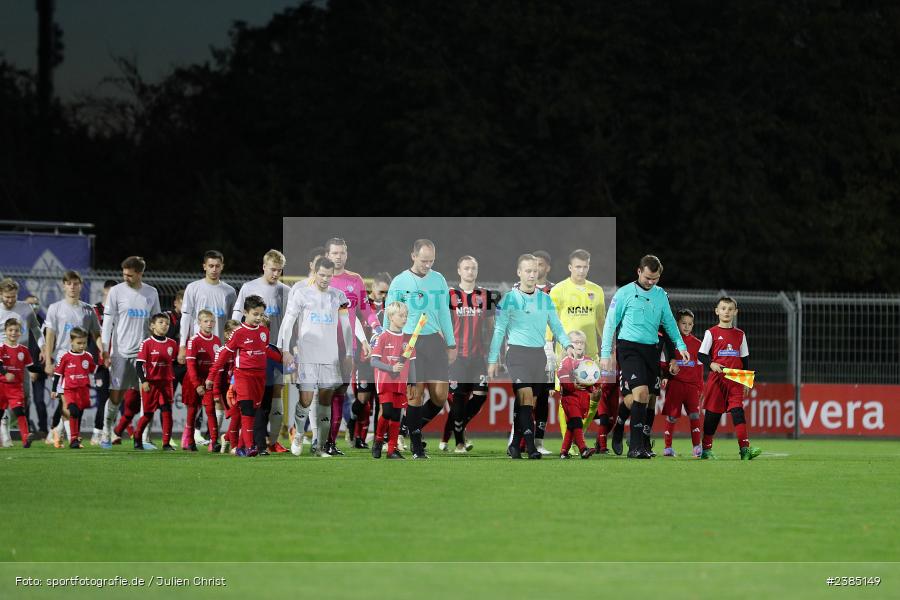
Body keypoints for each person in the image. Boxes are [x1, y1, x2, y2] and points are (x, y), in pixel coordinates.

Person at [599, 255, 688, 459]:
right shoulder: (624, 293)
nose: (651, 282)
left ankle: (629, 434)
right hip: (629, 348)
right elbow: (610, 323)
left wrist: (680, 345)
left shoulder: (660, 295)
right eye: (648, 277)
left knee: (646, 398)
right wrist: (605, 353)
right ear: (639, 272)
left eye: (655, 279)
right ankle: (635, 447)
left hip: (651, 350)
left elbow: (669, 323)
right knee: (641, 393)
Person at [488, 254, 574, 459]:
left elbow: (557, 326)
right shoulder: (509, 299)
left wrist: (568, 344)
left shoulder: (545, 299)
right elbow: (499, 331)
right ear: (519, 272)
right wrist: (492, 359)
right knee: (526, 396)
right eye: (528, 271)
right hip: (517, 354)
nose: (532, 274)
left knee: (527, 403)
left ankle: (514, 445)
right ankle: (531, 446)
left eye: (535, 271)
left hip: (538, 355)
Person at [383, 239, 456, 459]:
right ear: (413, 256)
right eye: (424, 260)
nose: (427, 264)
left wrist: (451, 343)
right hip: (409, 342)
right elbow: (389, 315)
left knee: (440, 397)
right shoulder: (399, 281)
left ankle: (405, 428)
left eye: (431, 260)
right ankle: (417, 447)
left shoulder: (439, 279)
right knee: (414, 396)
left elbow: (444, 313)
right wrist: (388, 344)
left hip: (434, 341)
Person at [278, 257, 352, 458]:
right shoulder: (302, 294)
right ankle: (299, 434)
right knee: (306, 399)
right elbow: (288, 322)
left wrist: (349, 352)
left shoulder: (338, 296)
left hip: (330, 357)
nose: (325, 279)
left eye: (329, 276)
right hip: (307, 355)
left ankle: (319, 447)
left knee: (326, 401)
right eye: (322, 275)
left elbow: (346, 326)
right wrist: (284, 348)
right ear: (315, 272)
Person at [322, 238, 380, 453]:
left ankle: (330, 443)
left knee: (339, 392)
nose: (338, 257)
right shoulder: (319, 281)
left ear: (346, 254)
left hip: (348, 347)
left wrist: (376, 329)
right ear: (327, 255)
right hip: (323, 346)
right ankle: (313, 437)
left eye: (342, 253)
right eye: (335, 253)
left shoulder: (355, 280)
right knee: (322, 394)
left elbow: (365, 310)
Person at [231, 250, 291, 454]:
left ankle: (272, 441)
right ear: (264, 266)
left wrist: (289, 346)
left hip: (276, 350)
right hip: (254, 352)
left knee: (275, 394)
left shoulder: (286, 290)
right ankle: (254, 442)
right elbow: (237, 315)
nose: (276, 273)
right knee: (257, 400)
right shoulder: (249, 287)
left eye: (279, 270)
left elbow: (290, 321)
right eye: (273, 269)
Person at [99, 257, 161, 449]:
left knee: (147, 396)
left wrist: (156, 348)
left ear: (140, 274)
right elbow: (108, 321)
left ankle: (144, 438)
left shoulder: (151, 292)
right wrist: (105, 348)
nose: (125, 277)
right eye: (124, 274)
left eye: (130, 275)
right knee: (116, 396)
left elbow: (156, 321)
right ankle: (106, 432)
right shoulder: (116, 291)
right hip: (121, 353)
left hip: (144, 354)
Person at [207, 296, 281, 457]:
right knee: (247, 408)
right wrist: (211, 376)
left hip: (260, 377)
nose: (259, 318)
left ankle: (240, 446)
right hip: (243, 375)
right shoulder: (238, 333)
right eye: (255, 314)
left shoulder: (264, 331)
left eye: (261, 314)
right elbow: (224, 354)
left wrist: (282, 358)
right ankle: (249, 447)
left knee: (252, 411)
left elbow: (265, 350)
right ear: (245, 312)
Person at [550, 249, 607, 453]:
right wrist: (548, 346)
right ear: (570, 267)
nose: (581, 270)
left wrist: (608, 349)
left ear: (589, 266)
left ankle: (576, 437)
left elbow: (601, 322)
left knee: (595, 396)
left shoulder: (597, 291)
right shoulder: (558, 290)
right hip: (567, 355)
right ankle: (573, 445)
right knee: (568, 399)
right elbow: (551, 321)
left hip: (590, 355)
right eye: (577, 267)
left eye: (585, 266)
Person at [42, 271, 103, 447]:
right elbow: (50, 335)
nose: (72, 287)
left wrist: (104, 352)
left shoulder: (88, 309)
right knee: (67, 401)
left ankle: (56, 431)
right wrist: (48, 361)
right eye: (69, 284)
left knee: (77, 403)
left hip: (80, 360)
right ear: (64, 286)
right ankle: (72, 438)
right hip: (62, 358)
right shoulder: (55, 308)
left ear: (80, 286)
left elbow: (96, 334)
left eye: (75, 283)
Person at [697, 297, 761, 460]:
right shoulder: (711, 332)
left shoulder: (740, 334)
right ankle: (706, 449)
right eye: (723, 308)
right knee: (712, 414)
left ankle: (745, 449)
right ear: (717, 311)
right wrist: (711, 364)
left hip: (736, 378)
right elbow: (701, 355)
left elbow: (745, 359)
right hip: (717, 379)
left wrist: (746, 380)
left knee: (738, 411)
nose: (726, 312)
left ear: (735, 312)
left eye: (730, 309)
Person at [440, 255, 491, 453]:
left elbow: (491, 326)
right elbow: (442, 325)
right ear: (459, 271)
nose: (470, 271)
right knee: (459, 399)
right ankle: (459, 442)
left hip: (478, 357)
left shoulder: (485, 295)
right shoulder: (450, 295)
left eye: (473, 268)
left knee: (480, 396)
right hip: (457, 357)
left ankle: (456, 428)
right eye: (466, 268)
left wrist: (493, 355)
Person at [0, 278, 44, 447]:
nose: (10, 300)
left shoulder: (25, 308)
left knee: (24, 396)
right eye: (7, 297)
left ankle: (6, 424)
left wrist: (43, 347)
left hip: (19, 360)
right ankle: (4, 430)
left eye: (13, 296)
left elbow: (36, 329)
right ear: (1, 294)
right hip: (1, 360)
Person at [350, 271, 391, 448]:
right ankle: (352, 424)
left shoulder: (390, 308)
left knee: (381, 401)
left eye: (387, 292)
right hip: (364, 359)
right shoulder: (363, 306)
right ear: (373, 287)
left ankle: (377, 440)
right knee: (363, 399)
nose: (384, 296)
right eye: (381, 292)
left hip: (382, 362)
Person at [370, 301, 415, 459]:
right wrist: (391, 368)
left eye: (406, 316)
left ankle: (392, 450)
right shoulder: (382, 336)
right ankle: (378, 441)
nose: (404, 319)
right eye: (401, 315)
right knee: (387, 412)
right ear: (390, 317)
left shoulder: (408, 339)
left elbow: (412, 362)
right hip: (385, 382)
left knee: (397, 416)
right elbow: (373, 361)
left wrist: (413, 383)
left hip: (400, 383)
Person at [660, 309, 704, 457]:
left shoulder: (697, 344)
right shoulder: (671, 342)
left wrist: (701, 387)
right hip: (675, 385)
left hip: (691, 387)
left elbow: (699, 367)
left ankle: (697, 447)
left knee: (695, 416)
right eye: (683, 323)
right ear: (677, 324)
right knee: (672, 416)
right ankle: (667, 447)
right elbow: (663, 362)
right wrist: (666, 374)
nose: (686, 326)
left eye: (690, 324)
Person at [133, 314, 179, 450]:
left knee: (167, 412)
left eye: (167, 323)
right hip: (151, 383)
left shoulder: (172, 344)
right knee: (148, 414)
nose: (165, 325)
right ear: (152, 326)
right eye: (161, 322)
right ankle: (137, 438)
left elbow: (173, 362)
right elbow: (139, 365)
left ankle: (166, 443)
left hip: (166, 384)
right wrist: (144, 381)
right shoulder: (147, 343)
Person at [50, 327, 97, 449]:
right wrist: (54, 389)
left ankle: (59, 432)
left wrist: (97, 380)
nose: (82, 346)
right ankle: (73, 439)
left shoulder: (88, 356)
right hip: (69, 389)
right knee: (73, 411)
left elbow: (93, 370)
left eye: (84, 343)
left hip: (83, 390)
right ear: (71, 341)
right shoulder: (65, 357)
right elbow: (57, 374)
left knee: (77, 413)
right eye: (79, 343)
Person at [183, 309, 221, 452]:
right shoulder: (194, 341)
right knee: (193, 410)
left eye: (211, 321)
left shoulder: (216, 340)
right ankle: (190, 441)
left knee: (210, 410)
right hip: (194, 380)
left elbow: (217, 364)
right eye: (206, 321)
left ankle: (214, 441)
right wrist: (196, 384)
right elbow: (190, 365)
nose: (209, 324)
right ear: (199, 323)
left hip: (208, 380)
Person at [556, 330, 596, 459]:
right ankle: (583, 449)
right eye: (576, 342)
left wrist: (594, 387)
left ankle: (563, 452)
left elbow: (593, 378)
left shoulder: (589, 361)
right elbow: (563, 379)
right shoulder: (566, 361)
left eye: (582, 343)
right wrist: (573, 386)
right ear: (569, 345)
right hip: (570, 398)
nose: (579, 345)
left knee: (572, 426)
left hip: (583, 399)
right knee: (577, 423)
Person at [88, 280, 117, 445]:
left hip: (116, 360)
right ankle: (97, 432)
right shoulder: (94, 310)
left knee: (115, 398)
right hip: (100, 362)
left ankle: (109, 431)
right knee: (103, 397)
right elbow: (92, 333)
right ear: (105, 291)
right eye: (110, 291)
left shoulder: (119, 311)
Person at [0, 319, 34, 447]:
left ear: (20, 332)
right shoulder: (1, 348)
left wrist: (46, 369)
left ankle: (26, 438)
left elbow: (31, 367)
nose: (13, 333)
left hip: (16, 387)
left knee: (19, 411)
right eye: (10, 330)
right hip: (1, 385)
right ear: (5, 331)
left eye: (16, 330)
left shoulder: (24, 350)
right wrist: (5, 373)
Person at [212, 320, 240, 454]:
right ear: (227, 334)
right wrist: (216, 392)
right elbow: (217, 373)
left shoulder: (241, 350)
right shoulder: (222, 351)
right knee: (236, 415)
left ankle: (227, 438)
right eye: (235, 332)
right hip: (226, 389)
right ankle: (234, 445)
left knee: (240, 416)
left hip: (239, 387)